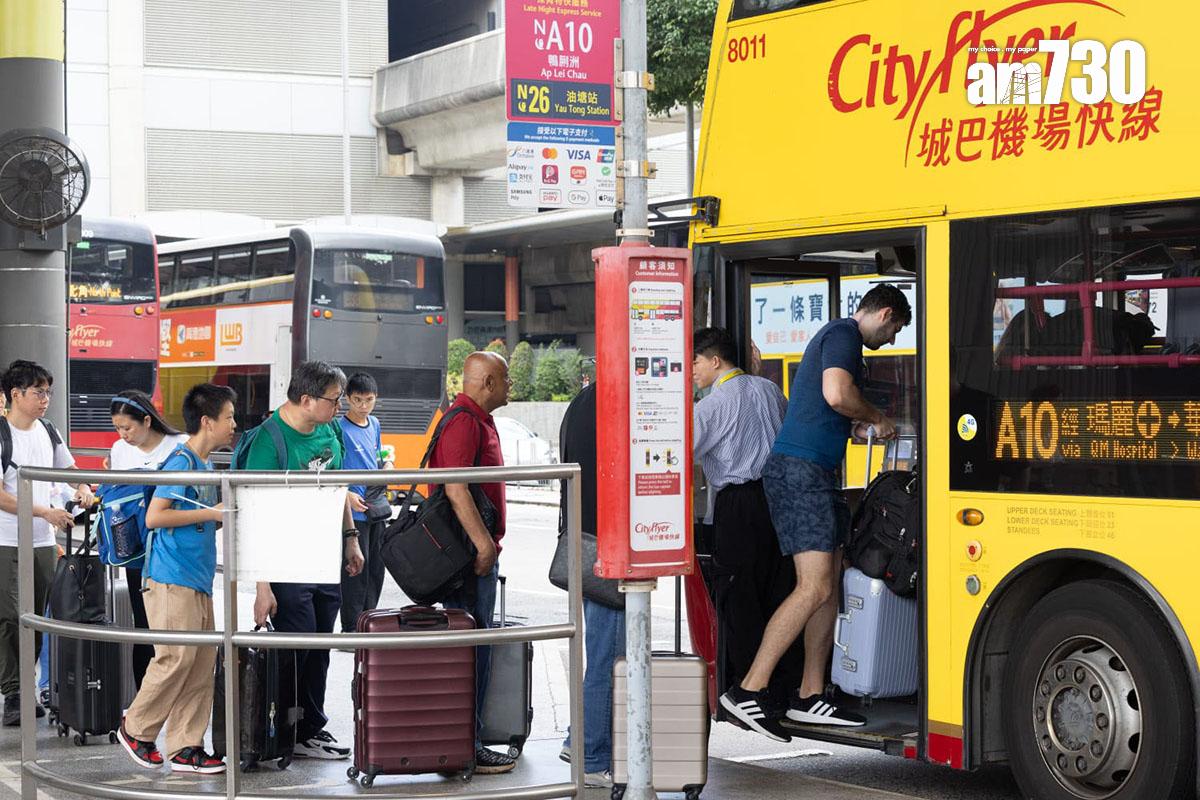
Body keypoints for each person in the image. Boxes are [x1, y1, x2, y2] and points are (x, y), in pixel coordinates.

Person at [718, 284, 912, 740]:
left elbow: (834, 403)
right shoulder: (843, 334)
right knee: (814, 587)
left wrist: (858, 419)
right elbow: (835, 393)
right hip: (799, 473)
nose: (892, 340)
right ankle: (747, 690)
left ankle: (809, 694)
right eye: (895, 330)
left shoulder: (841, 341)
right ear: (884, 313)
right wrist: (877, 417)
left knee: (831, 587)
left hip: (815, 472)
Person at [239, 360, 364, 760]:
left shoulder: (328, 430)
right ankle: (285, 729)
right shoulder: (268, 441)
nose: (339, 408)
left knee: (320, 644)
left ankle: (311, 727)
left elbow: (337, 489)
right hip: (286, 558)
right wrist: (262, 586)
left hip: (324, 555)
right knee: (298, 644)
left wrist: (351, 539)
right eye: (334, 400)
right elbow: (254, 515)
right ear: (306, 399)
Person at [117, 383, 236, 774]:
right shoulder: (181, 462)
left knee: (201, 663)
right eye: (229, 417)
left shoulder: (205, 466)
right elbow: (155, 517)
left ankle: (186, 745)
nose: (233, 425)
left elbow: (201, 520)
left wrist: (219, 517)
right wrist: (212, 514)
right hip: (169, 577)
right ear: (207, 421)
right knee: (175, 657)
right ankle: (135, 728)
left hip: (197, 578)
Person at [691, 328, 805, 715]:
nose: (691, 370)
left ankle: (749, 690)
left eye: (696, 362)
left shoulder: (711, 405)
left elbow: (681, 453)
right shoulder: (771, 391)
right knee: (779, 590)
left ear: (716, 361)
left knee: (739, 598)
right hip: (779, 499)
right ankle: (784, 688)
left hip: (737, 505)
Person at [430, 351, 515, 775]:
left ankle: (466, 741)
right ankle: (469, 744)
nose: (510, 386)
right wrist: (484, 546)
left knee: (473, 647)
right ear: (485, 383)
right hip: (467, 557)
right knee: (471, 650)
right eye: (505, 379)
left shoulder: (476, 418)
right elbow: (456, 488)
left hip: (471, 553)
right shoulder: (464, 420)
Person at [0, 360, 94, 726]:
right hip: (6, 540)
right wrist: (44, 512)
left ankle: (27, 687)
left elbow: (69, 471)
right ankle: (13, 693)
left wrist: (83, 487)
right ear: (15, 395)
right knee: (9, 617)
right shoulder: (3, 434)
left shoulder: (50, 431)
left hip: (41, 542)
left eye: (48, 392)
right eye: (38, 392)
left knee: (37, 617)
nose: (45, 399)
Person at [557, 382, 625, 788]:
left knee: (600, 650)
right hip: (609, 544)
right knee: (608, 654)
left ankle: (578, 738)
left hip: (585, 540)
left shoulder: (583, 399)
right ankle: (594, 754)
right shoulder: (617, 401)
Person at [107, 390, 188, 689]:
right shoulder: (119, 450)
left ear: (146, 420)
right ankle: (144, 698)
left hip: (172, 545)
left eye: (127, 427)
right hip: (136, 548)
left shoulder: (178, 445)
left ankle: (172, 693)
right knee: (143, 622)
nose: (122, 434)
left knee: (174, 623)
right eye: (117, 428)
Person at [337, 372, 392, 633]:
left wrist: (389, 463)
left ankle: (369, 625)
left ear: (376, 399)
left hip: (375, 507)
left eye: (368, 400)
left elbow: (379, 454)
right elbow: (332, 467)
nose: (363, 406)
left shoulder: (375, 424)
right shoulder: (338, 428)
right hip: (353, 512)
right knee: (355, 571)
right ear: (347, 398)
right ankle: (351, 628)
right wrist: (345, 493)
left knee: (376, 570)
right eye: (357, 400)